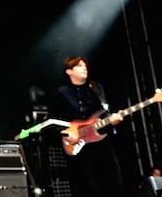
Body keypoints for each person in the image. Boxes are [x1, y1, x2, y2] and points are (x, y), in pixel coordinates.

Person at [48, 56, 124, 197]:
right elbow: (53, 120)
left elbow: (104, 112)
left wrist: (112, 119)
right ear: (69, 71)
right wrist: (65, 133)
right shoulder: (61, 93)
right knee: (86, 186)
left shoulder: (96, 88)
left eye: (85, 65)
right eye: (79, 65)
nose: (85, 68)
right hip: (78, 146)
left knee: (113, 183)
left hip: (101, 143)